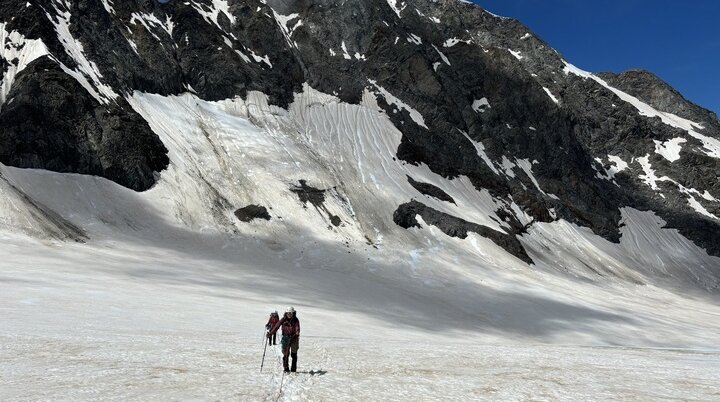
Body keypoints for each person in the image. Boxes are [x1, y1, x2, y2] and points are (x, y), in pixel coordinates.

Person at [269, 306, 300, 372]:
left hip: (294, 338)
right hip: (285, 338)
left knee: (294, 354)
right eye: (288, 313)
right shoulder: (283, 319)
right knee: (285, 354)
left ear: (293, 313)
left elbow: (297, 327)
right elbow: (276, 326)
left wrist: (297, 333)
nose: (289, 315)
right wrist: (270, 333)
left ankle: (293, 369)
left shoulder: (296, 320)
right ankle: (286, 368)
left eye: (291, 313)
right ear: (286, 313)